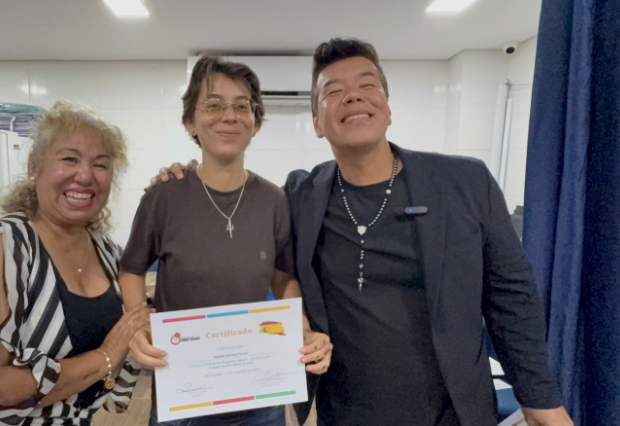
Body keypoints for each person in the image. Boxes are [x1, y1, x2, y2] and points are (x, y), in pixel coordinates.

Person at [154, 39, 573, 426]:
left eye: (367, 85)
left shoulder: (464, 182)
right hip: (345, 413)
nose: (353, 95)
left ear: (387, 108)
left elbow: (511, 296)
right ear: (317, 122)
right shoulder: (299, 195)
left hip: (454, 412)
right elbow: (240, 236)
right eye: (333, 91)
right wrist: (191, 183)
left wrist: (540, 399)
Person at [118, 55, 332, 426]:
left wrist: (302, 328)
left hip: (259, 393)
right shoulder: (163, 197)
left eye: (242, 106)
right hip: (182, 395)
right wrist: (137, 324)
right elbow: (131, 269)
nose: (229, 116)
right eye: (214, 105)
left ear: (255, 123)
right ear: (190, 121)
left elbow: (283, 277)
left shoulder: (274, 200)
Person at [0, 101, 152, 425]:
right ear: (34, 167)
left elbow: (114, 384)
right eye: (69, 159)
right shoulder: (4, 246)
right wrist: (106, 355)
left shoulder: (109, 253)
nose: (86, 175)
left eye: (101, 164)